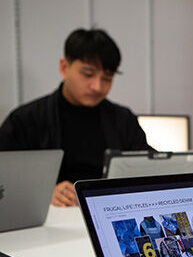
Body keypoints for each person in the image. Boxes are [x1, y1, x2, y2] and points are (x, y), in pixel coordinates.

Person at [0, 28, 150, 207]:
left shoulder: (123, 119)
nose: (97, 86)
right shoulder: (26, 120)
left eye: (107, 78)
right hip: (52, 221)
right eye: (88, 74)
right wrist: (45, 192)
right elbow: (7, 179)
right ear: (64, 67)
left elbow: (147, 167)